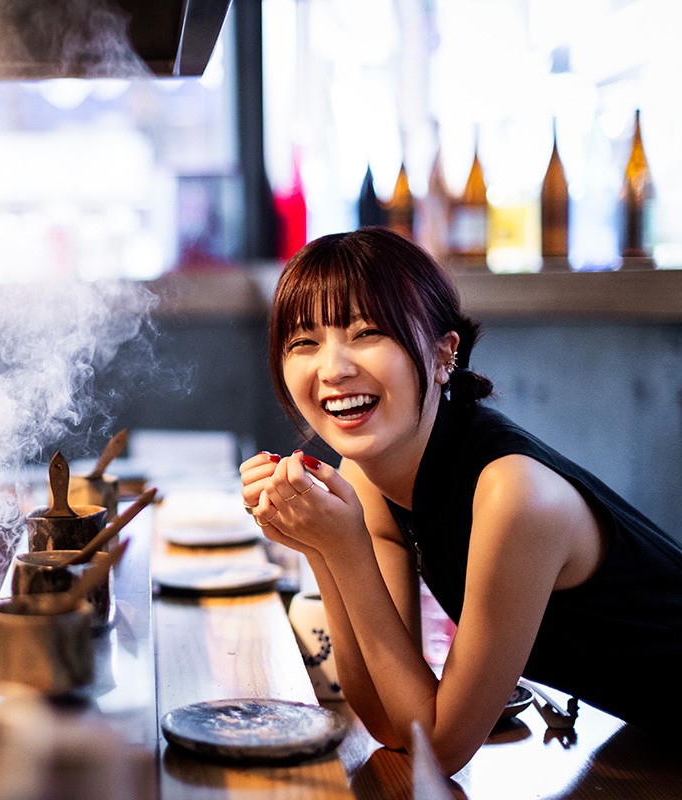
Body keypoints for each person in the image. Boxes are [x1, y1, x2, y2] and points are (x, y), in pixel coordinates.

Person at [240, 227, 682, 775]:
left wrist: (344, 547)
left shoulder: (513, 496)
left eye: (368, 332)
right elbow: (389, 721)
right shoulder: (367, 473)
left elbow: (440, 750)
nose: (333, 368)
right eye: (303, 343)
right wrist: (321, 549)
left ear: (445, 353)